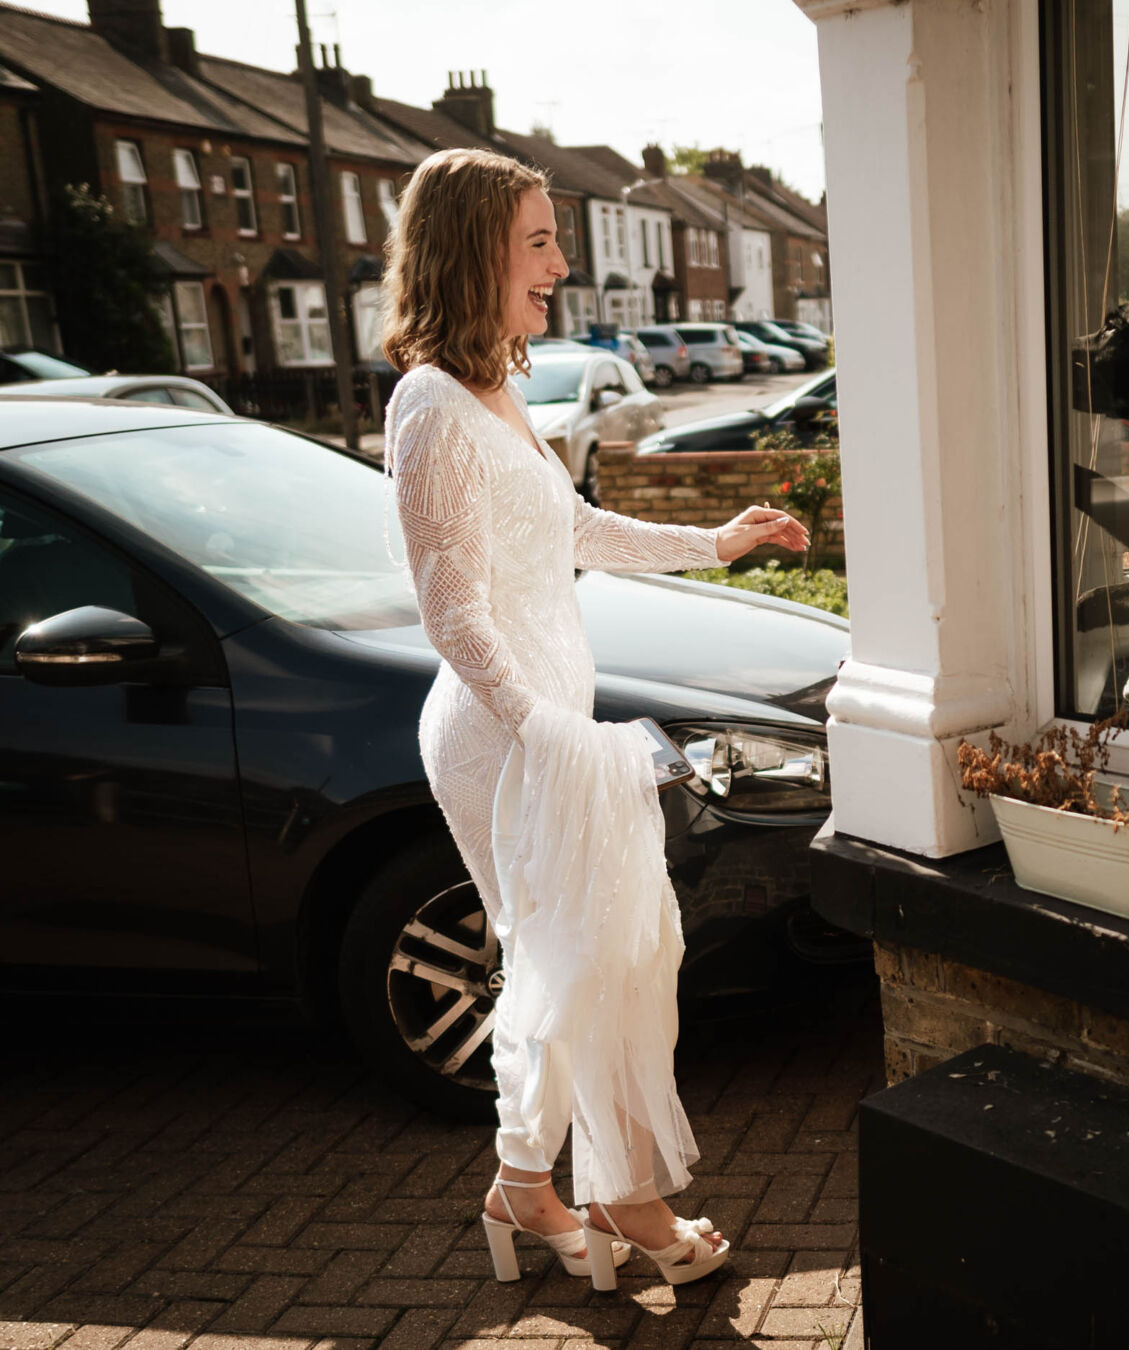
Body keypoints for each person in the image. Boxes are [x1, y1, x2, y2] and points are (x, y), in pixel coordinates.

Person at [381, 147, 807, 1290]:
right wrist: (542, 732)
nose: (561, 264)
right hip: (501, 742)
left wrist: (718, 543)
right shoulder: (427, 402)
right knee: (594, 962)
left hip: (545, 730)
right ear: (473, 250)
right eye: (538, 240)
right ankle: (624, 1199)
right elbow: (449, 607)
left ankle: (527, 1189)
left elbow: (578, 532)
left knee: (576, 964)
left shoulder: (495, 390)